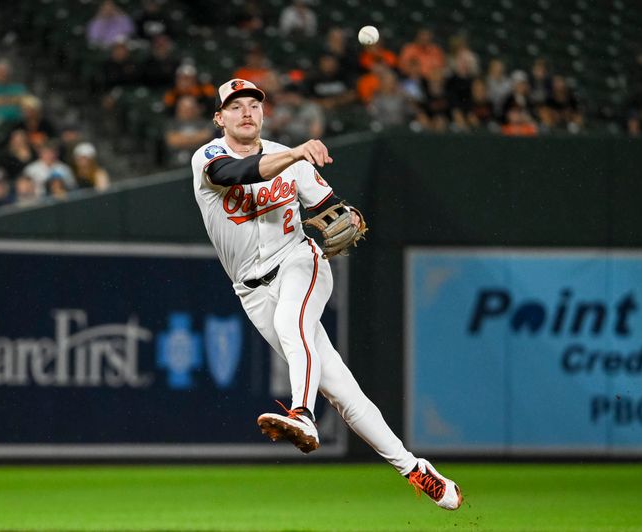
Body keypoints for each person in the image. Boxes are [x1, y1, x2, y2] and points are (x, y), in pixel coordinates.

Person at [191, 78, 462, 511]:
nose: (247, 112)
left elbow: (329, 207)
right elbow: (237, 173)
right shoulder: (208, 157)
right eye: (236, 106)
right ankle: (415, 468)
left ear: (263, 113)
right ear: (219, 118)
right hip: (251, 291)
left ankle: (302, 414)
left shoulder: (292, 161)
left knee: (291, 324)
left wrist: (346, 213)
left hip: (302, 262)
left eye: (254, 105)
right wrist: (296, 153)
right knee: (340, 388)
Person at [164, 95, 215, 167]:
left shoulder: (205, 123)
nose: (187, 111)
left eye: (190, 109)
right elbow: (172, 141)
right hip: (175, 165)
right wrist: (196, 138)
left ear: (197, 108)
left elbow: (207, 136)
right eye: (183, 108)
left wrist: (182, 139)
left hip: (203, 163)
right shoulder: (172, 124)